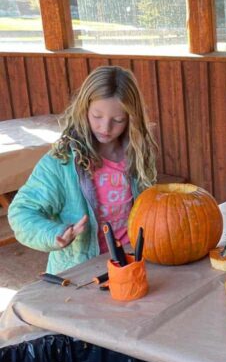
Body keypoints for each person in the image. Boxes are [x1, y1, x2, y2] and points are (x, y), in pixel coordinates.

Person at [8, 66, 158, 274]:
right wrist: (55, 233)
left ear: (131, 119)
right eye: (97, 116)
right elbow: (21, 212)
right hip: (80, 272)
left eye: (118, 120)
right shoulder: (60, 162)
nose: (105, 128)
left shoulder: (138, 156)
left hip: (129, 265)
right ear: (84, 109)